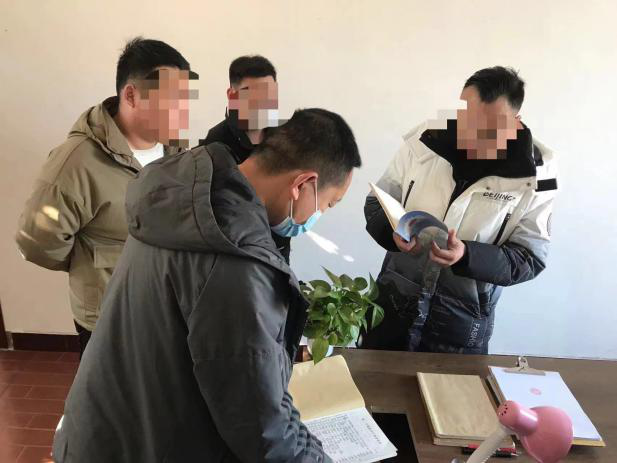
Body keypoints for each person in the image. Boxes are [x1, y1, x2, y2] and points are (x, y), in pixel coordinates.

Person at [52, 108, 361, 463]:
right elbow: (262, 428)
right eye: (328, 203)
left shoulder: (184, 199)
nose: (319, 214)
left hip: (100, 432)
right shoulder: (236, 264)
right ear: (303, 184)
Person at [15, 37, 197, 356]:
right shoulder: (76, 162)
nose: (181, 110)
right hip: (110, 320)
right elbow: (36, 241)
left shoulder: (176, 149)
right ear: (131, 95)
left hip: (167, 310)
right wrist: (91, 262)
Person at [361, 66, 558, 354]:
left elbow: (529, 258)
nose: (475, 134)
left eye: (490, 127)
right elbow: (376, 201)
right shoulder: (424, 143)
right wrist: (389, 231)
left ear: (515, 122)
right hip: (391, 304)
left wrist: (467, 256)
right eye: (470, 118)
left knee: (453, 384)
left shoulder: (537, 176)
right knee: (372, 377)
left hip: (461, 324)